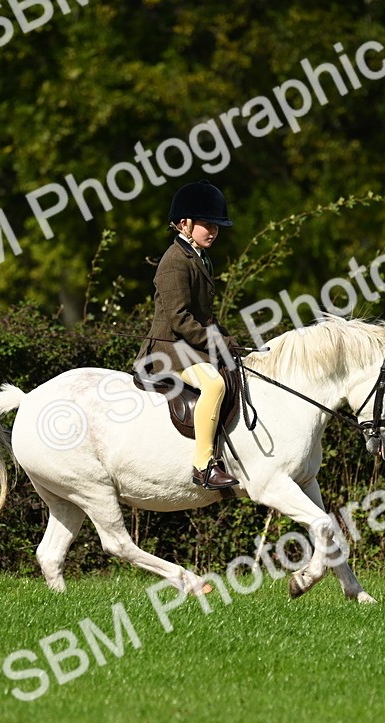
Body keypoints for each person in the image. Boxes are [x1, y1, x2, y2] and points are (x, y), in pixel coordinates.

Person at [135, 179, 240, 490]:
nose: (214, 231)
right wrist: (216, 343)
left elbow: (203, 315)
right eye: (207, 224)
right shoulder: (174, 261)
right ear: (184, 224)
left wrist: (228, 340)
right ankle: (204, 465)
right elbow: (181, 319)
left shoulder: (198, 257)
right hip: (169, 351)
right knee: (214, 384)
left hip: (188, 346)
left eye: (217, 225)